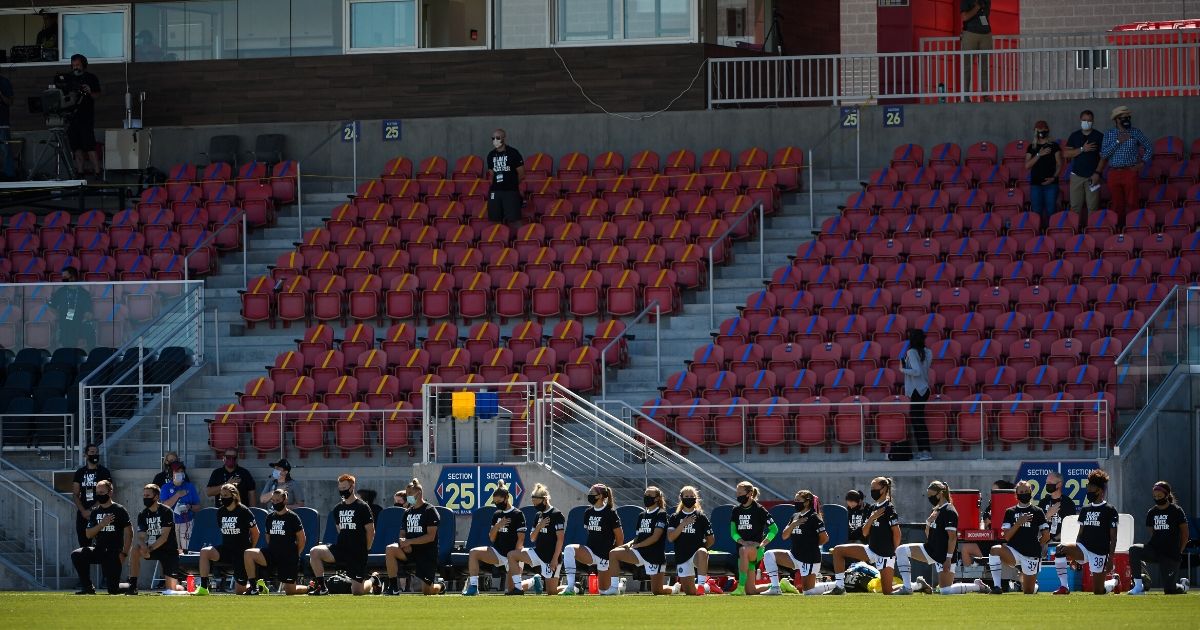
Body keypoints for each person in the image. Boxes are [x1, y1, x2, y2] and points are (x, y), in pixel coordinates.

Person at [896, 481, 980, 595]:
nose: (930, 498)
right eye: (928, 495)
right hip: (930, 550)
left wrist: (948, 559)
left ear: (940, 494)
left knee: (945, 591)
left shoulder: (949, 511)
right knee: (901, 550)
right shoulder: (936, 510)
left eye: (931, 495)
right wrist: (928, 522)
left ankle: (977, 586)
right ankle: (908, 587)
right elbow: (928, 536)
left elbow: (952, 538)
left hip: (943, 555)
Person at [1053, 469, 1120, 595]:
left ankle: (1114, 581)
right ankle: (1064, 587)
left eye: (1091, 487)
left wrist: (1110, 558)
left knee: (1098, 591)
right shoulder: (1085, 509)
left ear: (1099, 490)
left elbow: (1113, 537)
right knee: (1060, 548)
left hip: (1100, 552)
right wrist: (1075, 556)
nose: (1088, 489)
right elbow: (1080, 533)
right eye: (1088, 486)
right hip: (1084, 548)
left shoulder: (1110, 510)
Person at [830, 476, 901, 595]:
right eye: (871, 488)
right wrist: (872, 518)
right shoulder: (873, 508)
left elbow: (897, 533)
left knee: (887, 592)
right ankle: (839, 586)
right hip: (871, 549)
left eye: (875, 488)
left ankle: (915, 586)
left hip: (885, 554)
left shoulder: (889, 508)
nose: (872, 491)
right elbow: (864, 532)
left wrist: (893, 552)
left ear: (883, 489)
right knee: (838, 551)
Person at [309, 473, 375, 596]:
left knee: (357, 591)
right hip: (341, 549)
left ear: (352, 487)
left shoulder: (362, 507)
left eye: (345, 488)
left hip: (357, 551)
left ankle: (373, 580)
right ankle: (322, 587)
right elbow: (340, 530)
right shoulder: (337, 508)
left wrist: (366, 548)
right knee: (314, 551)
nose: (342, 491)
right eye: (340, 489)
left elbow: (371, 531)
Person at [601, 486, 672, 596]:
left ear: (657, 498)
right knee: (614, 553)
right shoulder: (641, 515)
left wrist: (638, 545)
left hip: (654, 555)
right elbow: (637, 537)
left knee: (657, 591)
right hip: (639, 552)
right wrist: (627, 545)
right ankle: (614, 587)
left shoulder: (661, 514)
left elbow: (655, 537)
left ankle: (675, 588)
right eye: (645, 495)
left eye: (649, 495)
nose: (646, 497)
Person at [194, 484, 259, 595]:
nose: (223, 498)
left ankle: (258, 585)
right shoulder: (220, 512)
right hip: (226, 549)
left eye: (226, 495)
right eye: (221, 495)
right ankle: (204, 587)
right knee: (205, 552)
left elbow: (256, 533)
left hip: (241, 552)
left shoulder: (244, 511)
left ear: (234, 496)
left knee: (239, 592)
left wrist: (249, 551)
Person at [987, 480, 1050, 594]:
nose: (1024, 493)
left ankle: (1032, 585)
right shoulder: (1010, 512)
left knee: (1028, 591)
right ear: (1016, 494)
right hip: (1013, 552)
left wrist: (1037, 546)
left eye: (1026, 491)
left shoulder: (1038, 511)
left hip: (1031, 554)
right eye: (1021, 491)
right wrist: (1019, 523)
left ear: (1031, 492)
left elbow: (1046, 535)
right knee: (994, 549)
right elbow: (1007, 537)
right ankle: (997, 586)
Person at [764, 490, 831, 596]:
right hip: (794, 555)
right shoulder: (795, 516)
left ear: (807, 502)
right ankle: (775, 587)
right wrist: (793, 524)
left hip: (809, 558)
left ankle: (837, 584)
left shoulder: (814, 517)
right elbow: (784, 536)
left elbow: (825, 538)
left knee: (808, 591)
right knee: (769, 555)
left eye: (798, 500)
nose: (795, 502)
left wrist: (811, 545)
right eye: (795, 500)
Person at [1127, 481, 1190, 595]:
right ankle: (1138, 587)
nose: (1157, 498)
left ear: (1167, 495)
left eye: (1160, 496)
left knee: (1170, 590)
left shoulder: (1176, 511)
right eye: (1155, 496)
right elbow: (1153, 533)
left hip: (1170, 554)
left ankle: (1183, 585)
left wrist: (1178, 551)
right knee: (1134, 549)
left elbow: (1185, 534)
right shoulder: (1152, 512)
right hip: (1155, 551)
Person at [384, 478, 444, 595]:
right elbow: (402, 533)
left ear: (419, 493)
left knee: (427, 591)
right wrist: (403, 543)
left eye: (410, 494)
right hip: (410, 551)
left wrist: (410, 541)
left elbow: (430, 537)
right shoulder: (407, 512)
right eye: (407, 494)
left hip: (426, 553)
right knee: (390, 549)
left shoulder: (430, 510)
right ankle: (393, 587)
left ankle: (440, 586)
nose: (408, 497)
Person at [242, 489, 309, 595]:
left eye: (278, 500)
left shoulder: (293, 517)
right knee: (248, 553)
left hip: (288, 556)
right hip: (272, 554)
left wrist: (295, 555)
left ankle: (310, 587)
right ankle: (254, 587)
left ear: (285, 500)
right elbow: (268, 537)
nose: (275, 503)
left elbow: (302, 539)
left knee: (290, 591)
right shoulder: (270, 517)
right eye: (273, 500)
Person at [560, 483, 623, 595]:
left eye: (592, 493)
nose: (589, 495)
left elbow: (619, 536)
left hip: (605, 556)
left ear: (600, 496)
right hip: (591, 552)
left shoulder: (610, 513)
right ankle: (570, 587)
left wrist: (613, 557)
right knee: (569, 549)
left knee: (603, 591)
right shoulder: (588, 512)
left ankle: (621, 585)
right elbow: (590, 532)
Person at [463, 482, 525, 595]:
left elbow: (521, 539)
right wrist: (498, 525)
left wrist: (514, 558)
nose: (497, 504)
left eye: (499, 502)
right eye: (495, 502)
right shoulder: (496, 514)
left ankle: (533, 581)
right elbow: (491, 538)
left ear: (506, 498)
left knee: (512, 590)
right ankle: (473, 587)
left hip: (513, 555)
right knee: (473, 552)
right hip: (497, 552)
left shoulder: (517, 514)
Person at [71, 479, 131, 595]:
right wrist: (102, 524)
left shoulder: (119, 510)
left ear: (110, 492)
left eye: (102, 493)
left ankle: (130, 584)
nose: (99, 495)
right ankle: (87, 587)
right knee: (77, 554)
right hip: (99, 550)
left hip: (114, 553)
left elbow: (130, 533)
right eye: (97, 493)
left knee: (113, 590)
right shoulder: (95, 512)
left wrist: (124, 553)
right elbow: (88, 534)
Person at [1098, 105, 1153, 229]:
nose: (1127, 119)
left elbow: (1149, 147)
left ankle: (1135, 227)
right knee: (1117, 204)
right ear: (1117, 120)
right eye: (1123, 118)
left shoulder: (1135, 132)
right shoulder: (1109, 134)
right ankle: (1119, 229)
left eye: (1128, 117)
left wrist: (1142, 163)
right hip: (1114, 173)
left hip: (1130, 171)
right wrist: (1118, 141)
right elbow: (1104, 154)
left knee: (1133, 201)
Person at [506, 483, 565, 595]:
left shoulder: (556, 514)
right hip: (538, 553)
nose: (535, 506)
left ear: (545, 500)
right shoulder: (538, 515)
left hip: (550, 556)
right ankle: (519, 588)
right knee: (512, 555)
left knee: (552, 592)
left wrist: (554, 559)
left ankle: (574, 587)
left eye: (537, 503)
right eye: (534, 504)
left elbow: (560, 540)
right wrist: (539, 526)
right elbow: (532, 538)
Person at [127, 484, 180, 595]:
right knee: (136, 549)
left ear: (156, 497)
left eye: (148, 495)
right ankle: (133, 585)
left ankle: (181, 585)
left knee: (171, 590)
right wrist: (143, 546)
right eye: (144, 495)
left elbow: (164, 537)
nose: (145, 498)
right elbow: (141, 536)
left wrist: (149, 549)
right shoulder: (143, 514)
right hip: (152, 548)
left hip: (168, 551)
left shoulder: (166, 511)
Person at [729, 480, 777, 595]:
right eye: (737, 493)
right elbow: (733, 532)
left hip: (756, 551)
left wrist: (762, 544)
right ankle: (777, 585)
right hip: (742, 550)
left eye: (740, 493)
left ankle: (740, 587)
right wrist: (742, 541)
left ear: (750, 493)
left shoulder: (760, 510)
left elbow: (774, 529)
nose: (738, 496)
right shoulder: (736, 510)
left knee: (744, 550)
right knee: (751, 591)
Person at [667, 485, 716, 596]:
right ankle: (709, 586)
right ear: (681, 498)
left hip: (696, 555)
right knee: (690, 592)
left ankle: (702, 585)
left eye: (691, 496)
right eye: (686, 496)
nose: (689, 498)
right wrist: (683, 524)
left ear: (696, 498)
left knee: (702, 552)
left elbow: (711, 539)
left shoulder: (701, 517)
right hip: (682, 556)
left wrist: (702, 552)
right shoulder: (675, 517)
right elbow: (670, 538)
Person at [1063, 109, 1104, 229]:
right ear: (1080, 120)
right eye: (1085, 120)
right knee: (1075, 206)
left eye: (1089, 120)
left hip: (1093, 177)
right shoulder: (1074, 136)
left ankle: (1092, 231)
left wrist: (1097, 173)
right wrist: (1082, 149)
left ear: (1093, 121)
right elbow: (1066, 154)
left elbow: (1104, 157)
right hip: (1076, 176)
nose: (1087, 122)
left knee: (1093, 207)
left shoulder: (1099, 136)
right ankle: (1074, 231)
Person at [898, 328, 934, 461]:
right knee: (918, 420)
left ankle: (925, 451)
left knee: (917, 421)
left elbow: (917, 371)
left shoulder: (911, 352)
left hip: (917, 390)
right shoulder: (928, 352)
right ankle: (924, 450)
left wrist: (903, 369)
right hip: (924, 389)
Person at [64, 54, 101, 178]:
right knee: (76, 147)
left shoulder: (91, 78)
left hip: (86, 117)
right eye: (73, 65)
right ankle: (80, 172)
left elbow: (97, 96)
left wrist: (89, 91)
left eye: (78, 65)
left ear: (84, 65)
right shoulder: (68, 78)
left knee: (89, 145)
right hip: (72, 117)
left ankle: (97, 172)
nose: (76, 68)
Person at [71, 443, 112, 547]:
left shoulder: (104, 472)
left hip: (100, 512)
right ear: (86, 455)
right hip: (83, 514)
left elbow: (108, 493)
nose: (95, 454)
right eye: (92, 452)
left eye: (97, 452)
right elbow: (75, 494)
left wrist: (91, 510)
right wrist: (83, 511)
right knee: (84, 545)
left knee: (103, 545)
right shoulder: (80, 472)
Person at [485, 128, 525, 226]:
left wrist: (513, 184)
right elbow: (491, 173)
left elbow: (521, 173)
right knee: (495, 219)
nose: (495, 140)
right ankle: (498, 239)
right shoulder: (490, 155)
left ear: (504, 138)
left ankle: (520, 240)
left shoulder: (513, 153)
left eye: (498, 137)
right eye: (493, 138)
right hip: (495, 191)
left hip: (510, 191)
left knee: (514, 219)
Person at [1025, 121, 1063, 222]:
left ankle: (1051, 235)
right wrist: (1038, 154)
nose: (1042, 132)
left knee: (1051, 211)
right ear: (1036, 132)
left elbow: (1059, 164)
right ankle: (1037, 235)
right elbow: (1027, 165)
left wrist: (1054, 177)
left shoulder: (1054, 146)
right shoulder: (1031, 147)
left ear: (1048, 130)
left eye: (1044, 130)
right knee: (1036, 212)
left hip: (1051, 184)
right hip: (1036, 185)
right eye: (1040, 130)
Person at [160, 461, 201, 550]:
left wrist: (189, 507)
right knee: (172, 551)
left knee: (186, 550)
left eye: (181, 471)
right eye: (176, 471)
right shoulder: (165, 487)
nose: (179, 473)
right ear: (172, 473)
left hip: (187, 522)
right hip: (170, 524)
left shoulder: (189, 486)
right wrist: (177, 495)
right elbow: (163, 507)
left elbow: (198, 507)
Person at [50, 267, 94, 348]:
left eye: (65, 277)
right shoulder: (60, 291)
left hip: (79, 325)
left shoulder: (83, 293)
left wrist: (86, 317)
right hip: (63, 325)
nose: (63, 280)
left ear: (73, 277)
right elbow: (52, 307)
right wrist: (58, 316)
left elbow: (88, 312)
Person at [960, 0, 992, 99]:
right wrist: (977, 7)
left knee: (985, 67)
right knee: (967, 67)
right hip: (970, 33)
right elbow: (964, 17)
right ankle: (965, 95)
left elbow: (986, 15)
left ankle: (985, 95)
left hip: (986, 33)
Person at [1038, 471, 1077, 542]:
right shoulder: (1043, 502)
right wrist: (1047, 515)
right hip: (1042, 543)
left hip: (1060, 544)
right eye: (1047, 483)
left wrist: (1054, 540)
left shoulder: (1068, 503)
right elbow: (1036, 525)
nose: (1047, 485)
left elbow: (1071, 527)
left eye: (1050, 483)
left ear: (1059, 484)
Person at [0, 67, 13, 181]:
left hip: (2, 123)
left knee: (6, 151)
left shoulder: (4, 82)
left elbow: (10, 101)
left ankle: (8, 177)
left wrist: (0, 94)